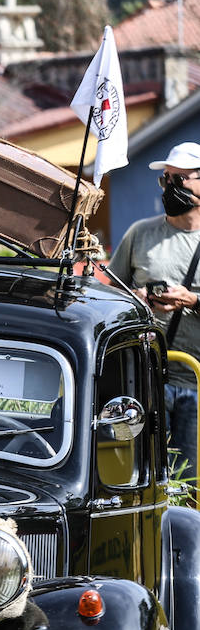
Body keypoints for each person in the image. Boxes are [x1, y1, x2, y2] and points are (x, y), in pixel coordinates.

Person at [112, 141, 200, 481]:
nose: (171, 188)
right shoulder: (140, 233)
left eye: (181, 179)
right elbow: (111, 297)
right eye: (166, 180)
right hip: (145, 380)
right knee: (138, 474)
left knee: (188, 481)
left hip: (195, 384)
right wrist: (141, 296)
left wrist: (191, 300)